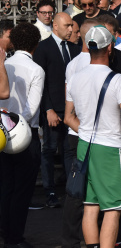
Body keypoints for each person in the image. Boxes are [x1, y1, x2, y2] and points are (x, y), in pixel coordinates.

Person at [64, 25, 121, 248]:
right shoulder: (115, 79)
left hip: (84, 145)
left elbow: (68, 117)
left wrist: (88, 132)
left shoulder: (75, 77)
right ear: (110, 47)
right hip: (109, 148)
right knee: (113, 209)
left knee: (90, 206)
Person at [33, 12, 81, 208]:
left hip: (72, 109)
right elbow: (40, 83)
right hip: (53, 109)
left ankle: (72, 189)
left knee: (70, 150)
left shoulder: (74, 48)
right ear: (55, 26)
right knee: (50, 150)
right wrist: (48, 109)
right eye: (67, 25)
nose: (71, 29)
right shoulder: (43, 48)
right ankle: (50, 191)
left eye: (72, 26)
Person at [0, 23, 41, 248]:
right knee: (22, 190)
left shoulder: (5, 63)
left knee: (6, 185)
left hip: (2, 131)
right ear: (36, 43)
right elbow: (31, 109)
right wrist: (17, 124)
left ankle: (6, 232)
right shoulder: (36, 69)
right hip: (24, 133)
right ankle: (15, 237)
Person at [61, 19, 99, 248]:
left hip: (76, 131)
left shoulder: (73, 64)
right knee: (92, 189)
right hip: (89, 132)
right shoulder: (94, 64)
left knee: (77, 187)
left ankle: (72, 239)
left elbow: (70, 105)